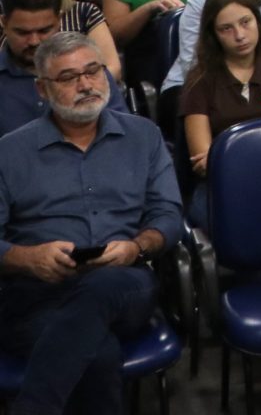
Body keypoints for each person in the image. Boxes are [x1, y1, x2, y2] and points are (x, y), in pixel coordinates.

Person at [0, 31, 182, 415]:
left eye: (93, 71)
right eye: (68, 78)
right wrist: (26, 258)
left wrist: (137, 246)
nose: (85, 85)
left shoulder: (143, 137)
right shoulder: (9, 153)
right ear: (42, 89)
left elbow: (167, 214)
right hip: (37, 294)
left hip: (124, 283)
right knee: (98, 355)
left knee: (105, 283)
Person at [177, 0, 261, 224]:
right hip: (221, 186)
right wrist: (260, 152)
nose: (240, 35)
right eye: (226, 28)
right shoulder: (199, 81)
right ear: (213, 35)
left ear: (258, 23)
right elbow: (203, 162)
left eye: (246, 22)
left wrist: (227, 155)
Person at [0, 0, 124, 132]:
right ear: (4, 23)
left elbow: (124, 132)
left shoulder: (91, 72)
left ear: (59, 21)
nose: (34, 41)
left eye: (44, 31)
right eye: (23, 33)